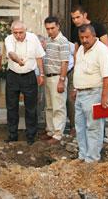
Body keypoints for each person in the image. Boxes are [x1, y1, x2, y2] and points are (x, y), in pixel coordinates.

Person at [72, 24, 108, 162]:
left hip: (94, 93)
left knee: (94, 128)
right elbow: (78, 70)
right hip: (80, 94)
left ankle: (92, 159)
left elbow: (107, 75)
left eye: (87, 37)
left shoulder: (102, 50)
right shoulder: (80, 49)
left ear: (94, 35)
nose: (84, 40)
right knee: (80, 127)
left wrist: (105, 96)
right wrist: (75, 89)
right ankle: (83, 155)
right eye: (81, 37)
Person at [4, 21, 45, 145]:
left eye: (20, 32)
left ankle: (31, 136)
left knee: (31, 108)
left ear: (25, 30)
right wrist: (18, 61)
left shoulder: (33, 39)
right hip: (13, 75)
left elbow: (39, 57)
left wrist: (41, 74)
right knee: (11, 107)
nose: (18, 35)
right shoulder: (8, 39)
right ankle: (12, 135)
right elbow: (11, 53)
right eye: (15, 33)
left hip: (29, 76)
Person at [40, 16, 69, 145]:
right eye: (47, 29)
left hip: (58, 77)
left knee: (59, 107)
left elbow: (65, 62)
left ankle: (58, 135)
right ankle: (50, 131)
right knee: (49, 106)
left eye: (52, 28)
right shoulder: (48, 40)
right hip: (48, 77)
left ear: (58, 26)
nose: (50, 31)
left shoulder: (63, 41)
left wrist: (62, 80)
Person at [66, 41, 76, 137]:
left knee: (71, 99)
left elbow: (76, 53)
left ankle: (74, 127)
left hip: (70, 72)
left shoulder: (67, 43)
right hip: (58, 74)